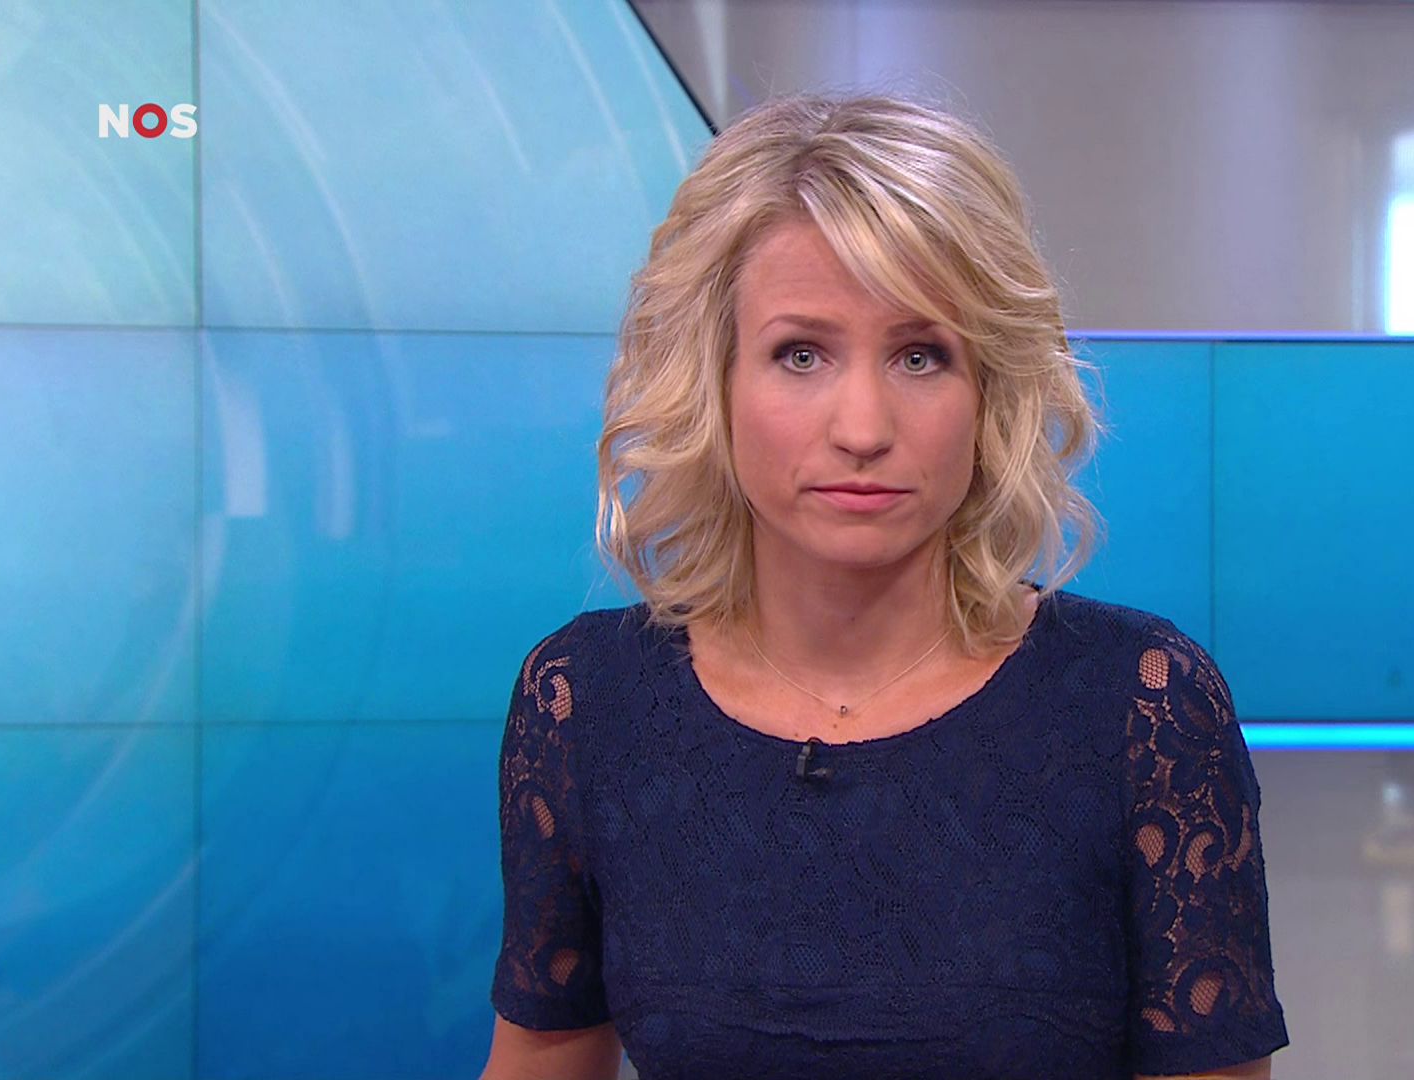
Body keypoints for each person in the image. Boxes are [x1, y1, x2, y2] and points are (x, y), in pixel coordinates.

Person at [480, 91, 1288, 1080]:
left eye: (920, 355)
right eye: (800, 354)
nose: (862, 428)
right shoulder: (586, 703)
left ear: (989, 392)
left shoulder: (1143, 706)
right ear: (714, 382)